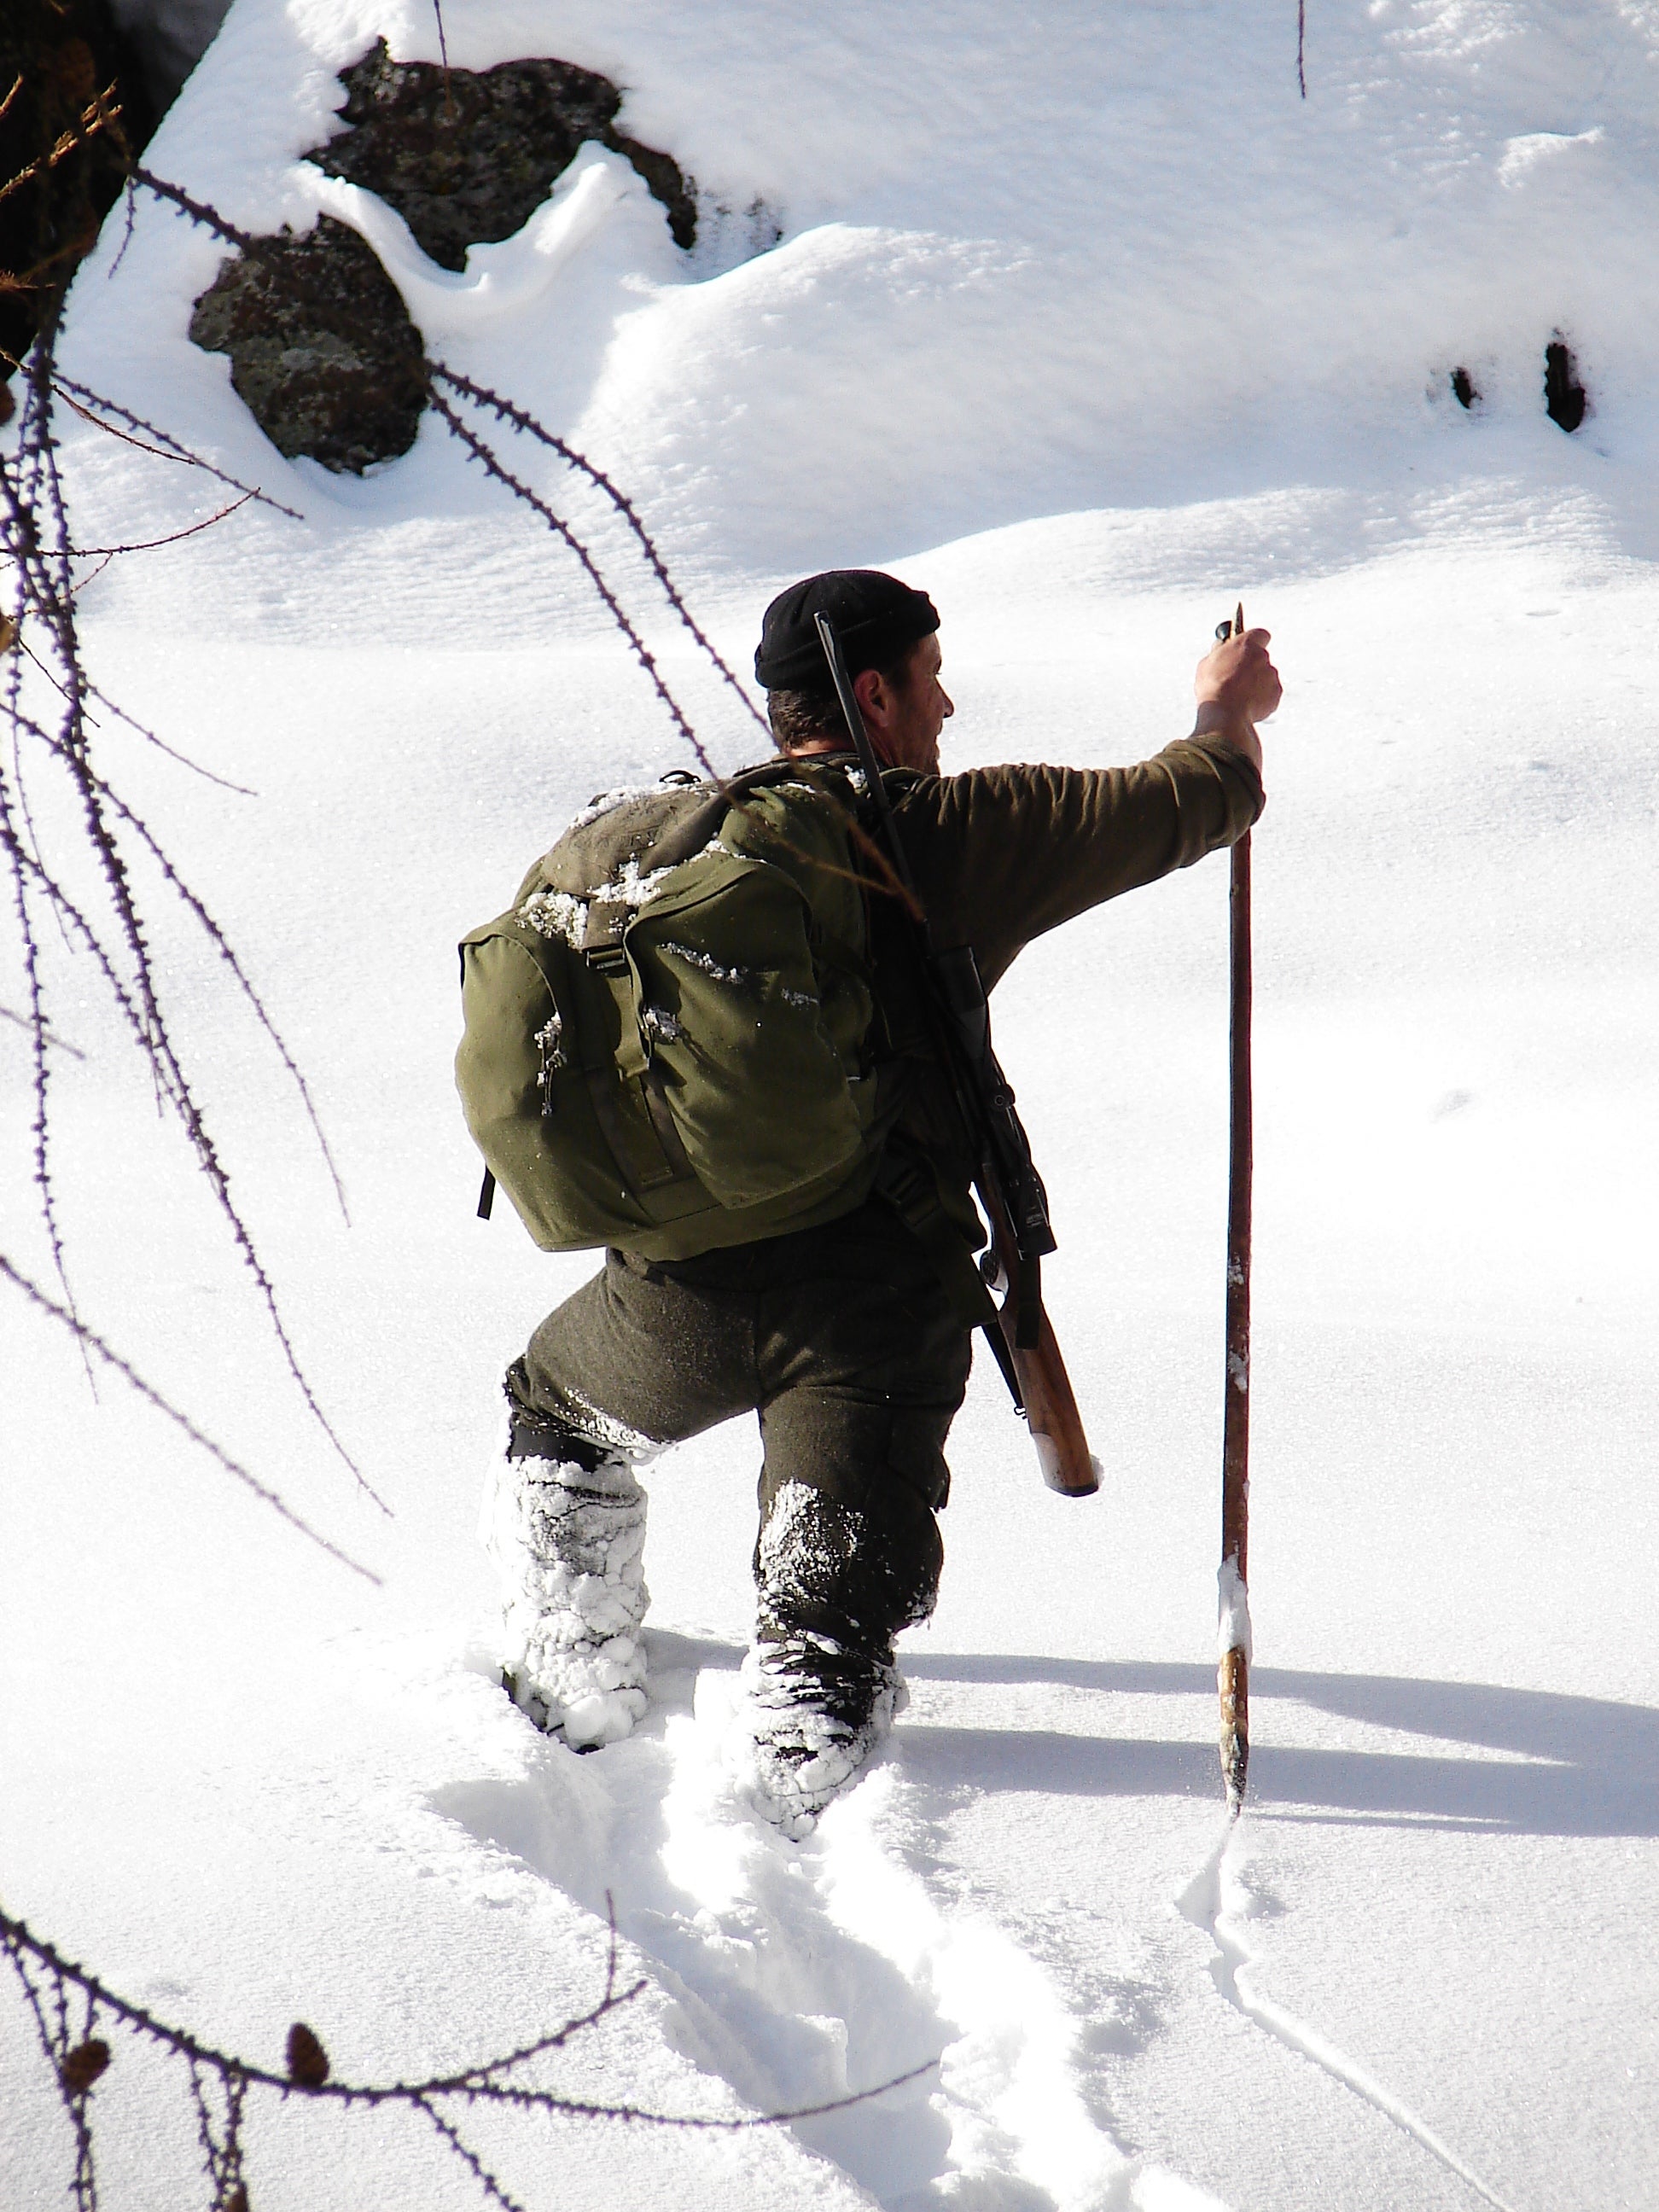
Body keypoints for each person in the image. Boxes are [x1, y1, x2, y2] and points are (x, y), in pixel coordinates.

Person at [477, 569, 1278, 1830]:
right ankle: (814, 1755)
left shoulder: (665, 853)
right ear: (873, 693)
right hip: (866, 1307)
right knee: (820, 1628)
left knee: (559, 1419)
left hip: (666, 1298)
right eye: (933, 675)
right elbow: (1188, 802)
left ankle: (569, 1668)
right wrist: (1226, 711)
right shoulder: (920, 836)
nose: (948, 704)